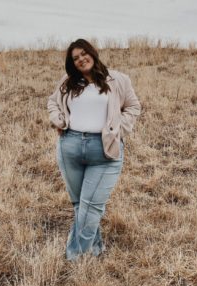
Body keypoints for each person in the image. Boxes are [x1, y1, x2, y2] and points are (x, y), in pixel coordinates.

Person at [47, 38, 141, 261]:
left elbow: (133, 107)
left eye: (83, 54)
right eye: (75, 58)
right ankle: (95, 248)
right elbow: (52, 102)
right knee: (80, 204)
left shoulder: (118, 80)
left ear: (92, 52)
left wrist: (118, 129)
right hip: (69, 146)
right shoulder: (68, 82)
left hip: (104, 150)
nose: (81, 59)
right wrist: (58, 119)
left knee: (91, 207)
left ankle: (74, 257)